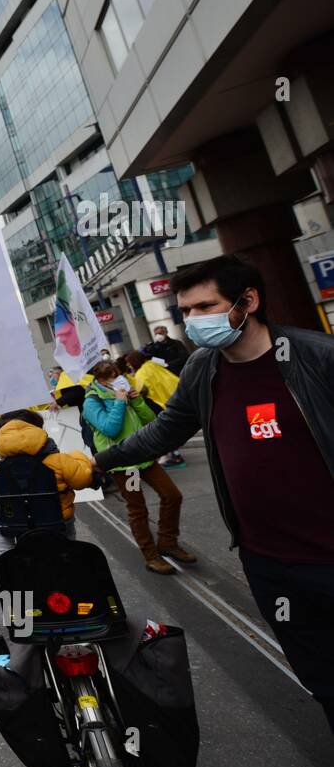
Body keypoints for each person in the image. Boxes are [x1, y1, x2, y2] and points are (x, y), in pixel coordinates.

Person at [94, 255, 334, 733]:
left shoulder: (317, 357)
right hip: (268, 564)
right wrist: (97, 464)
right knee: (322, 678)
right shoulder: (204, 368)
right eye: (186, 311)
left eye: (206, 306)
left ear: (248, 302)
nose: (194, 321)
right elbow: (162, 433)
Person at [84, 360, 190, 575]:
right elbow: (110, 429)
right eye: (112, 377)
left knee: (172, 495)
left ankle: (168, 542)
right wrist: (120, 402)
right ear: (100, 380)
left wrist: (138, 401)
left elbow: (151, 421)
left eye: (118, 375)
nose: (118, 380)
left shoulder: (124, 391)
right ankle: (151, 556)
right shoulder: (92, 401)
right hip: (125, 465)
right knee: (137, 507)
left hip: (144, 456)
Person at [0, 410, 94, 553]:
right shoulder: (60, 460)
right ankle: (68, 552)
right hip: (57, 521)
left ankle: (6, 555)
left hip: (17, 523)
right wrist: (78, 457)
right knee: (67, 538)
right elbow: (82, 480)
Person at [124, 350, 186, 468]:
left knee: (164, 433)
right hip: (171, 400)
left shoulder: (141, 373)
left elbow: (140, 390)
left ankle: (176, 457)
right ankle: (172, 456)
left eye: (129, 363)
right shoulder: (152, 365)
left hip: (158, 405)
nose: (129, 366)